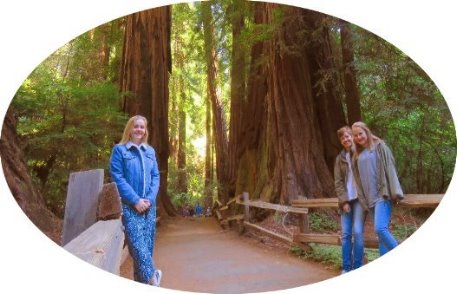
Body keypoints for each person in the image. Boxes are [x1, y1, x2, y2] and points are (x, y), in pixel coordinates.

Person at [109, 115, 162, 286]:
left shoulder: (150, 151)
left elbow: (155, 176)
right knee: (138, 249)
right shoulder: (120, 150)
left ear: (145, 131)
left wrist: (149, 199)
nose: (139, 129)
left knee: (146, 249)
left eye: (142, 127)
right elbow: (117, 177)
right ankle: (154, 280)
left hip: (149, 207)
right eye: (136, 126)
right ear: (129, 129)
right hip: (131, 207)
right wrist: (135, 200)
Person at [351, 121, 404, 256]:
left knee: (380, 229)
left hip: (382, 194)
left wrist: (396, 191)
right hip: (369, 199)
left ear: (366, 132)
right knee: (381, 237)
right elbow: (358, 179)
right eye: (355, 135)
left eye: (360, 133)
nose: (358, 137)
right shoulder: (357, 155)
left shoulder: (380, 147)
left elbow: (390, 168)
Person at [334, 126, 366, 274]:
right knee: (346, 234)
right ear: (341, 141)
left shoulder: (360, 153)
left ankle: (358, 267)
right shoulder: (339, 159)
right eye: (343, 138)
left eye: (348, 136)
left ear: (352, 137)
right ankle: (346, 268)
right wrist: (344, 201)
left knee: (358, 232)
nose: (346, 139)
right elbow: (338, 182)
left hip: (359, 199)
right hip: (346, 200)